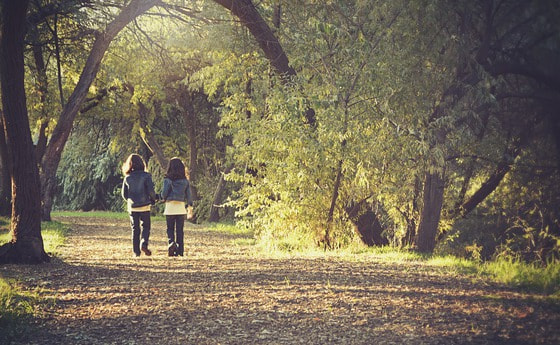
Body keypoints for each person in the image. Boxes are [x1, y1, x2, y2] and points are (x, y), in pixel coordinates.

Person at [121, 154, 157, 257]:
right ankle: (144, 243)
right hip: (145, 205)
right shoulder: (146, 176)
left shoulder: (127, 178)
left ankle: (136, 252)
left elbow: (124, 195)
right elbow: (151, 191)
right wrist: (154, 199)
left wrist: (130, 200)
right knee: (146, 227)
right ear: (142, 163)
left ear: (129, 165)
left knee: (135, 229)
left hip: (132, 207)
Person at [161, 157, 193, 257]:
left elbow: (164, 194)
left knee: (170, 229)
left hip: (170, 208)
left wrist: (162, 198)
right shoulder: (185, 182)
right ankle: (180, 251)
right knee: (180, 230)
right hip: (180, 208)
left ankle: (171, 243)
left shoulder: (167, 180)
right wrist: (190, 207)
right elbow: (189, 197)